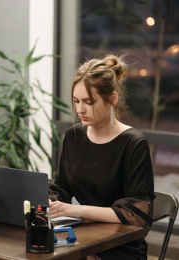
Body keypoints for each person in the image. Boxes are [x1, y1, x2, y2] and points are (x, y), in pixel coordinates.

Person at [49, 55, 155, 260]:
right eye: (76, 101)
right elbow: (61, 187)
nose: (80, 109)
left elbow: (136, 214)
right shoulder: (73, 136)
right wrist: (51, 201)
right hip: (81, 238)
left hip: (120, 247)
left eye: (89, 102)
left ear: (112, 99)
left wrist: (77, 211)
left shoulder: (133, 143)